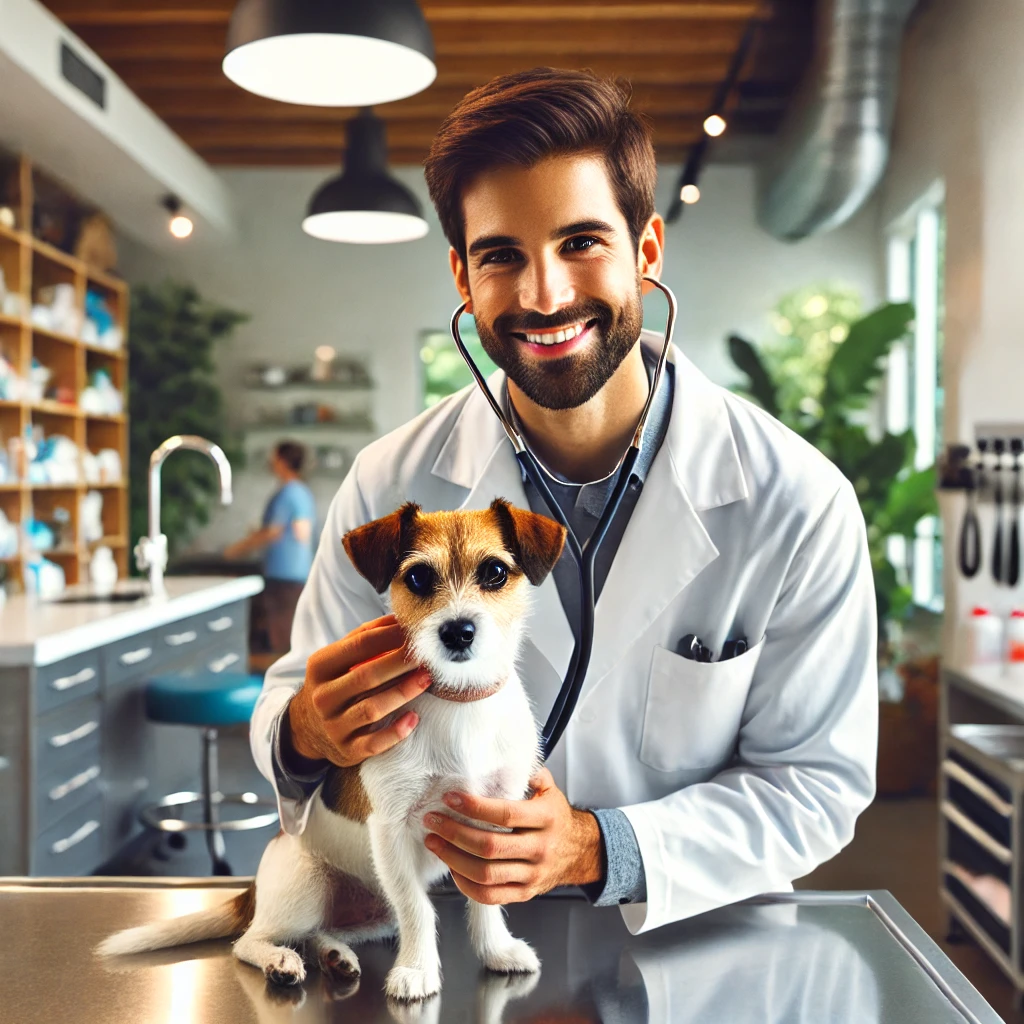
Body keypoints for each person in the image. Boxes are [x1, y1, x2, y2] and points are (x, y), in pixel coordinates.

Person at [252, 68, 877, 935]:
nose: (544, 295)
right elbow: (290, 704)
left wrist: (598, 846)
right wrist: (309, 731)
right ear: (463, 278)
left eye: (582, 241)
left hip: (697, 938)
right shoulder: (392, 484)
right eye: (501, 254)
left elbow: (816, 784)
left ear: (646, 251)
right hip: (447, 940)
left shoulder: (795, 502)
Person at [225, 440, 316, 653]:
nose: (270, 462)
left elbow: (272, 532)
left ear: (282, 461)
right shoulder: (302, 493)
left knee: (283, 632)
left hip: (283, 574)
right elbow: (301, 533)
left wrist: (236, 549)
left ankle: (288, 684)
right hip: (297, 573)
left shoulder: (288, 493)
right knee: (292, 630)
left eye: (273, 457)